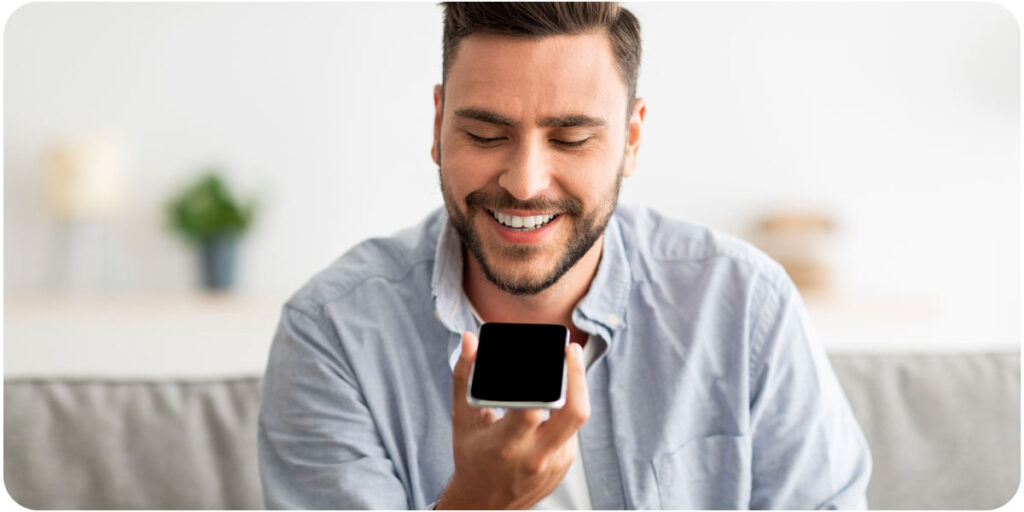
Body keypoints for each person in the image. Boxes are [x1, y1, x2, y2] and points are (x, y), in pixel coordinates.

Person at [258, 2, 872, 509]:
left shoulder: (744, 308)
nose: (525, 183)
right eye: (485, 134)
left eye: (571, 138)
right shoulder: (333, 334)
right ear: (439, 123)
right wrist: (474, 503)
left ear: (630, 140)